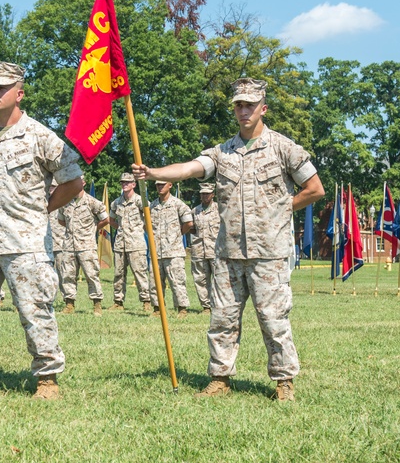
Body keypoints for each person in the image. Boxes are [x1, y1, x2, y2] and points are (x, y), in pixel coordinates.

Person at [132, 78, 324, 400]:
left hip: (269, 253)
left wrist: (281, 209)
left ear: (263, 108)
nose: (244, 110)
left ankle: (284, 382)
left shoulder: (283, 147)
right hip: (228, 252)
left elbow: (315, 189)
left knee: (273, 320)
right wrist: (154, 173)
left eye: (250, 104)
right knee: (222, 319)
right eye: (238, 105)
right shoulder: (222, 153)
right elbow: (190, 169)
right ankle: (220, 378)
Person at [0, 61, 83, 400]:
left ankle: (47, 379)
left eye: (1, 88)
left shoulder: (40, 136)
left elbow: (73, 182)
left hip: (26, 239)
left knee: (34, 309)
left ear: (19, 93)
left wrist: (40, 210)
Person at [58, 189, 109, 315]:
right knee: (68, 275)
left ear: (83, 184)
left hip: (87, 245)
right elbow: (61, 220)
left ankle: (97, 304)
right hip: (69, 245)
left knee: (91, 275)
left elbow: (105, 219)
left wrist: (92, 229)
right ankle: (69, 304)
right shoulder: (65, 201)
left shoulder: (92, 202)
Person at [108, 173, 152, 312]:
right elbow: (112, 220)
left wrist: (138, 230)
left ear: (134, 184)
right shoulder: (116, 203)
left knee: (139, 273)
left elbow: (148, 219)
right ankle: (118, 302)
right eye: (122, 182)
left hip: (136, 244)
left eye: (128, 182)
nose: (124, 184)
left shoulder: (140, 200)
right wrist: (121, 229)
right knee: (118, 274)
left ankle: (146, 301)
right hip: (120, 243)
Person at [149, 180, 194, 317]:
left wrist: (178, 234)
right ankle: (157, 309)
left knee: (177, 281)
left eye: (163, 184)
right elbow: (147, 224)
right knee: (155, 282)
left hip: (173, 251)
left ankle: (182, 309)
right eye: (157, 184)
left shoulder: (177, 204)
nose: (160, 187)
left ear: (170, 185)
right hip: (157, 251)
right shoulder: (152, 205)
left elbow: (189, 223)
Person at [191, 182, 220, 315]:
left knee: (219, 279)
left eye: (207, 194)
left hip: (216, 250)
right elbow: (191, 228)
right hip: (198, 250)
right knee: (200, 279)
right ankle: (206, 307)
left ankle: (220, 306)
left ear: (213, 194)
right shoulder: (195, 211)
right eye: (202, 194)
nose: (204, 196)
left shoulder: (220, 209)